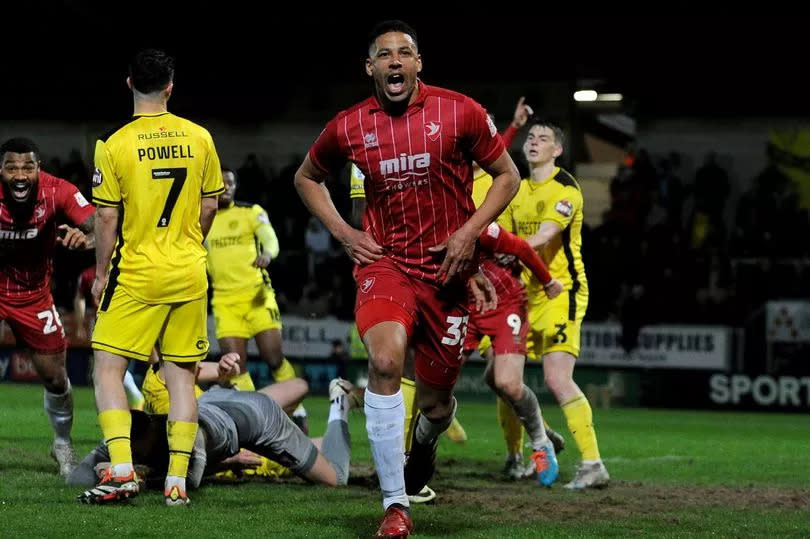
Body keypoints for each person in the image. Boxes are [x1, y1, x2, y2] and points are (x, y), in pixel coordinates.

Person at [294, 20, 519, 537]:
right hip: (386, 265)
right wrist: (345, 233)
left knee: (436, 403)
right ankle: (396, 504)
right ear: (369, 68)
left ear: (419, 64)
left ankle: (425, 442)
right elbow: (306, 178)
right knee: (385, 359)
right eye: (384, 55)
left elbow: (507, 176)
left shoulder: (459, 110)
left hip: (448, 272)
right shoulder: (350, 125)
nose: (395, 62)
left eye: (405, 53)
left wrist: (468, 235)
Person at [84, 49, 224, 506]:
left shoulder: (113, 142)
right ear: (170, 86)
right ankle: (176, 483)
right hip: (188, 271)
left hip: (138, 273)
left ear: (129, 84)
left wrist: (101, 272)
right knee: (182, 378)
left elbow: (106, 218)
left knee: (107, 367)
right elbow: (209, 205)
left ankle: (122, 470)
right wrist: (188, 246)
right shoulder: (200, 137)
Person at [498, 119, 609, 489]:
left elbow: (545, 234)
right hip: (523, 296)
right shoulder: (517, 190)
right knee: (501, 380)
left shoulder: (566, 188)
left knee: (557, 378)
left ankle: (593, 463)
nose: (534, 142)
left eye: (543, 138)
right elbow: (507, 241)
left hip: (560, 293)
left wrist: (507, 246)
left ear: (557, 150)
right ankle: (543, 438)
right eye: (530, 137)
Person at [70, 354, 355, 493]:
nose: (126, 453)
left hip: (261, 420)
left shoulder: (186, 437)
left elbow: (188, 481)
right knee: (299, 397)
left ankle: (340, 401)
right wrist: (104, 469)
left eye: (130, 451)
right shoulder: (128, 435)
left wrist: (138, 480)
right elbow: (77, 479)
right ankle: (305, 434)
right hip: (220, 402)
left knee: (335, 478)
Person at [0, 137, 95, 477]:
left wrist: (89, 239)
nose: (20, 174)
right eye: (11, 167)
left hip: (34, 295)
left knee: (56, 378)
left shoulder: (59, 191)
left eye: (28, 167)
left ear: (39, 169)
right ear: (2, 170)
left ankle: (62, 443)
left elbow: (98, 223)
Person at [205, 167, 308, 431]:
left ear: (236, 186)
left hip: (257, 297)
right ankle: (255, 420)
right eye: (221, 183)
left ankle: (297, 413)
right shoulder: (202, 218)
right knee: (235, 365)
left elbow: (271, 240)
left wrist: (268, 255)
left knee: (273, 358)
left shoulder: (251, 212)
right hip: (225, 302)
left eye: (231, 183)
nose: (226, 188)